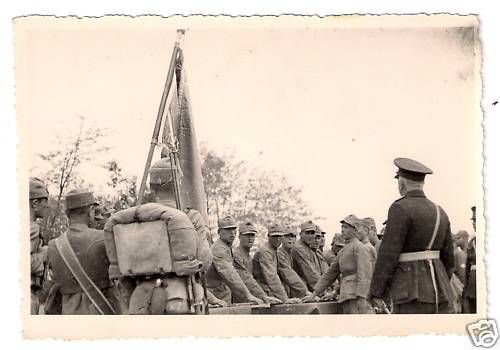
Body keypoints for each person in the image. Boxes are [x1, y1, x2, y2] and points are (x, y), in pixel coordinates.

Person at [369, 158, 455, 314]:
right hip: (441, 291)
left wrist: (376, 291)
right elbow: (449, 259)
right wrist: (440, 280)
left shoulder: (399, 208)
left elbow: (388, 254)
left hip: (409, 291)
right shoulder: (440, 211)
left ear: (401, 184)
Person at [47, 189, 120, 314]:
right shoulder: (103, 238)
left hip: (68, 313)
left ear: (67, 214)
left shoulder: (53, 245)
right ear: (91, 211)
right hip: (100, 311)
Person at [302, 215, 374, 314]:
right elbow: (330, 274)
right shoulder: (343, 251)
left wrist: (362, 298)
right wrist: (314, 294)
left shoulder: (360, 248)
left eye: (346, 227)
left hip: (357, 299)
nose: (343, 230)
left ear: (355, 229)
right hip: (345, 297)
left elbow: (365, 274)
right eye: (342, 227)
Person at [149, 158, 212, 268]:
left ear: (151, 187)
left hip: (142, 284)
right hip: (182, 283)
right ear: (178, 184)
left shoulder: (140, 216)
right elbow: (204, 260)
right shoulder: (192, 217)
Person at [206, 216, 263, 305]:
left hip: (223, 297)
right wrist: (248, 295)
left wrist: (261, 296)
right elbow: (230, 275)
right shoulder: (218, 249)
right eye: (228, 230)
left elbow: (244, 277)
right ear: (219, 232)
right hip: (215, 299)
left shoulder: (227, 248)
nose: (232, 233)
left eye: (234, 229)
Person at [232, 222, 281, 304]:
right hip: (240, 298)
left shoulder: (249, 256)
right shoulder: (236, 255)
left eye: (252, 235)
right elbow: (246, 279)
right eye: (247, 235)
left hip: (251, 297)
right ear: (239, 236)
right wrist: (263, 296)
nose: (250, 238)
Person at [253, 224, 301, 304]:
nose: (278, 239)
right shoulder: (265, 252)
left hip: (269, 291)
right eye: (274, 236)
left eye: (280, 236)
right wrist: (285, 299)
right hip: (262, 292)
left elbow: (288, 273)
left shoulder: (274, 251)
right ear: (268, 236)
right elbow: (271, 277)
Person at [29, 177, 50, 314]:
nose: (47, 205)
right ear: (35, 203)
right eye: (45, 200)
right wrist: (45, 254)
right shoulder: (32, 228)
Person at [291, 220, 325, 291]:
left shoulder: (310, 248)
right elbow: (310, 273)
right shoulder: (299, 248)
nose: (310, 236)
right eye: (307, 233)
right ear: (301, 234)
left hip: (311, 288)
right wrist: (322, 291)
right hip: (301, 290)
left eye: (312, 233)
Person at [277, 227, 309, 298]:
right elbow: (289, 274)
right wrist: (305, 291)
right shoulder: (279, 254)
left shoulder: (291, 254)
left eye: (293, 236)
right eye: (287, 236)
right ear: (281, 238)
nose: (290, 239)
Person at [463, 206, 477, 313]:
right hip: (472, 288)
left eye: (476, 220)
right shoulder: (472, 241)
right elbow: (468, 268)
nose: (473, 222)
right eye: (473, 220)